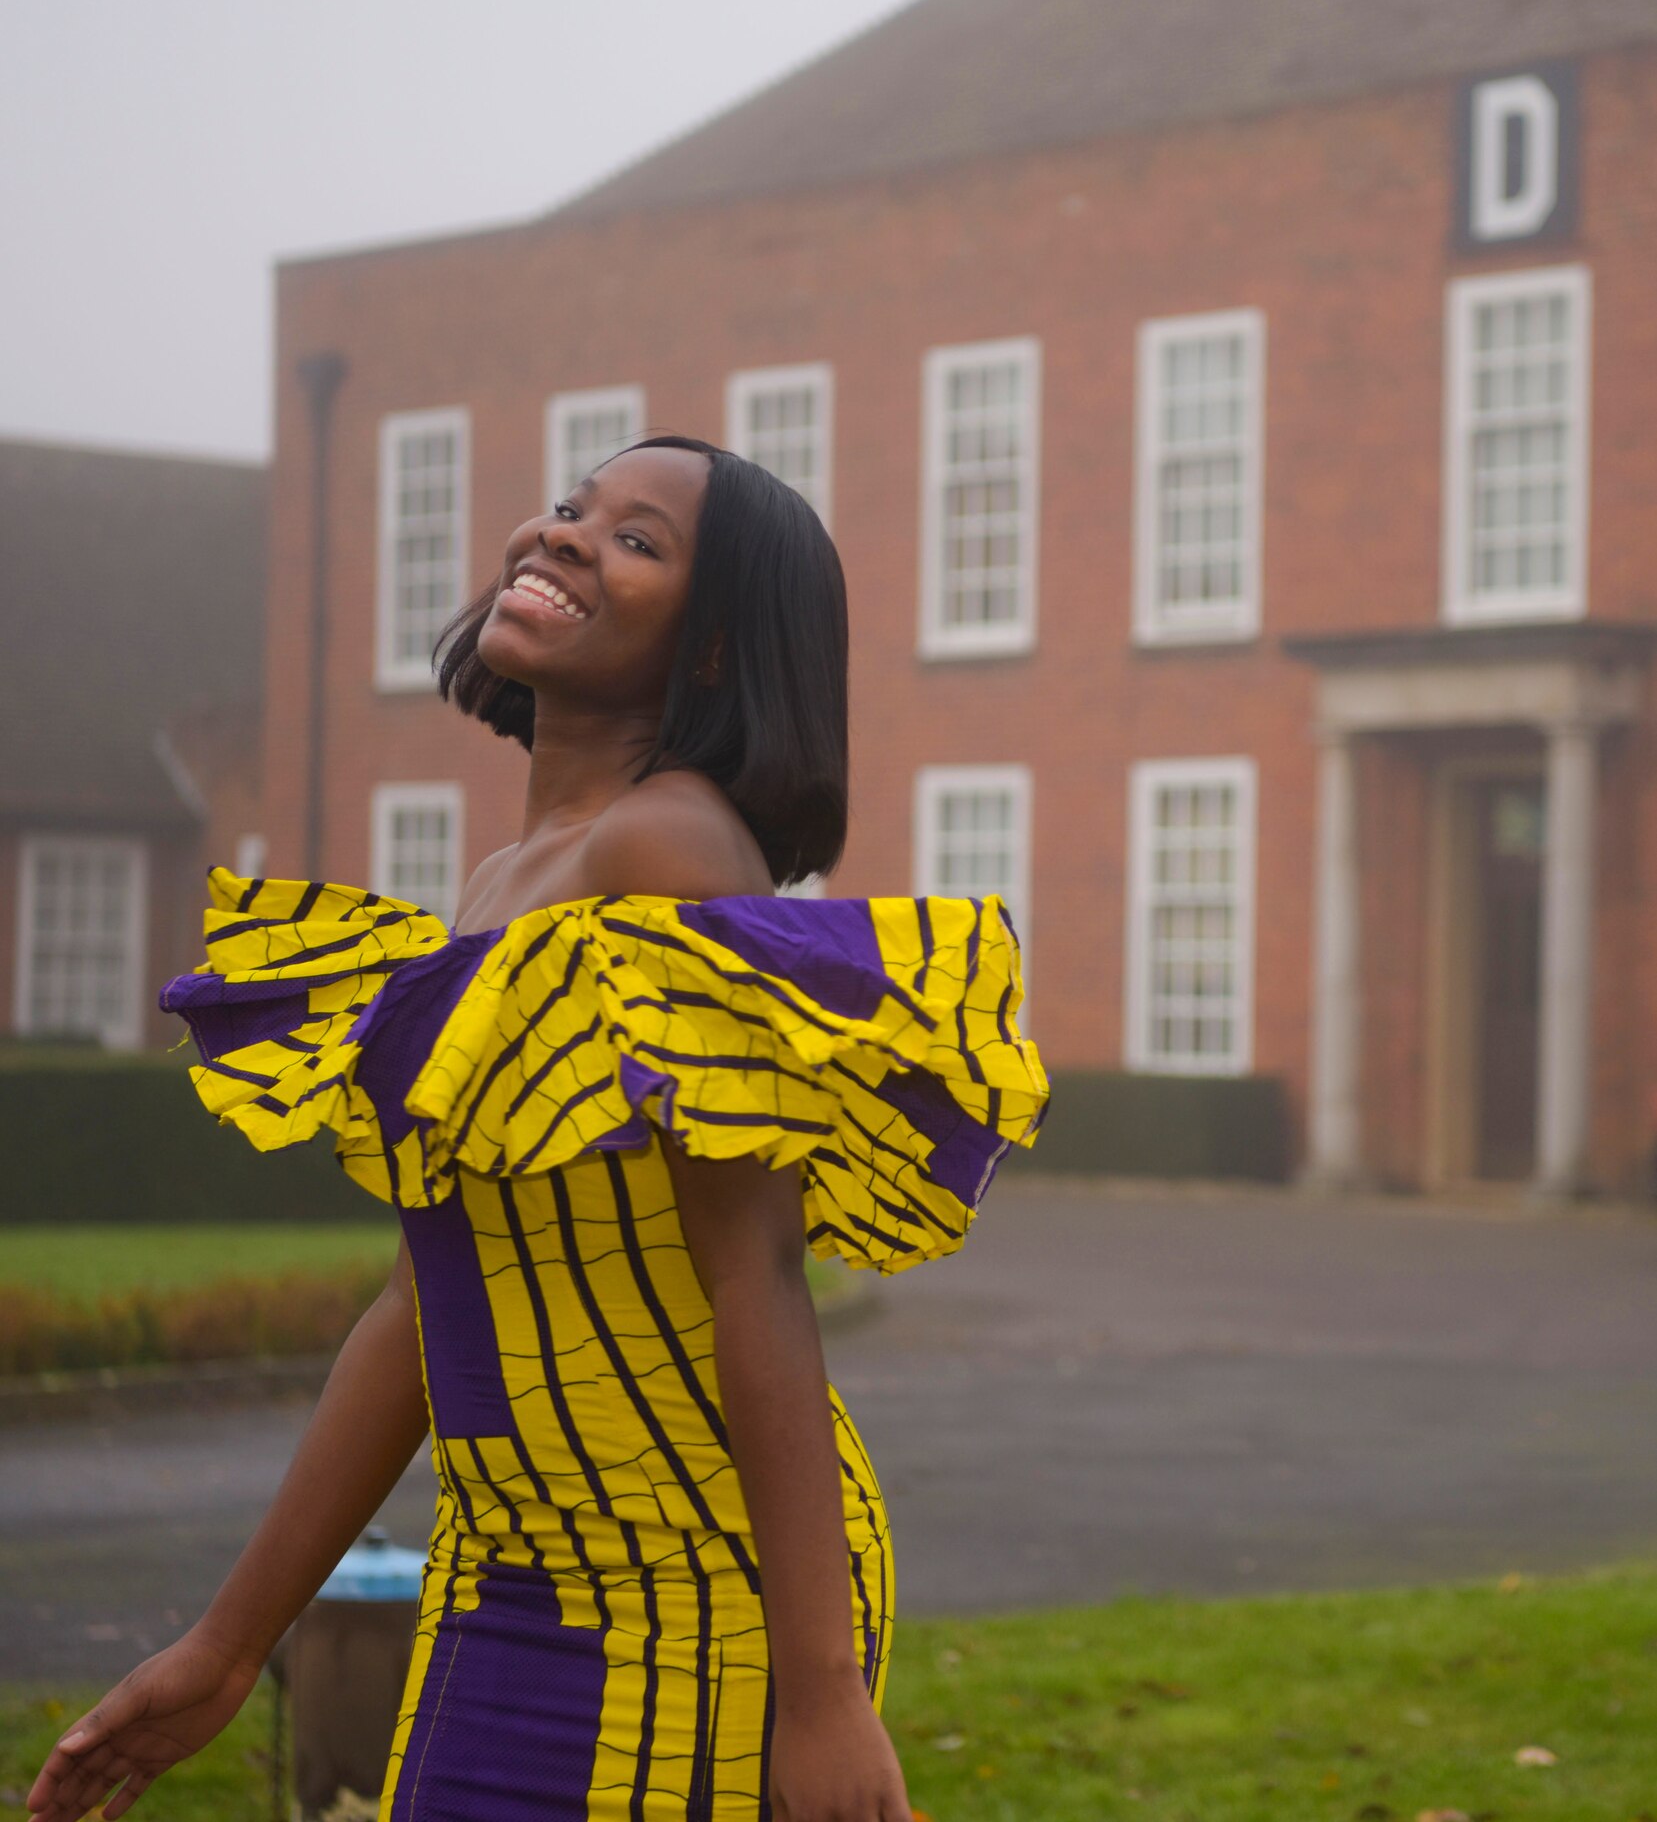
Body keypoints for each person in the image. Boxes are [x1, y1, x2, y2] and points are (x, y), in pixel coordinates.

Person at [29, 436, 1048, 1822]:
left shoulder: (667, 850)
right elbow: (421, 1305)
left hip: (699, 1579)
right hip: (500, 1564)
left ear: (710, 654)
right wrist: (228, 1645)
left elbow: (754, 1280)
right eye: (571, 508)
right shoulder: (500, 886)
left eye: (636, 540)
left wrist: (818, 1695)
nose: (564, 535)